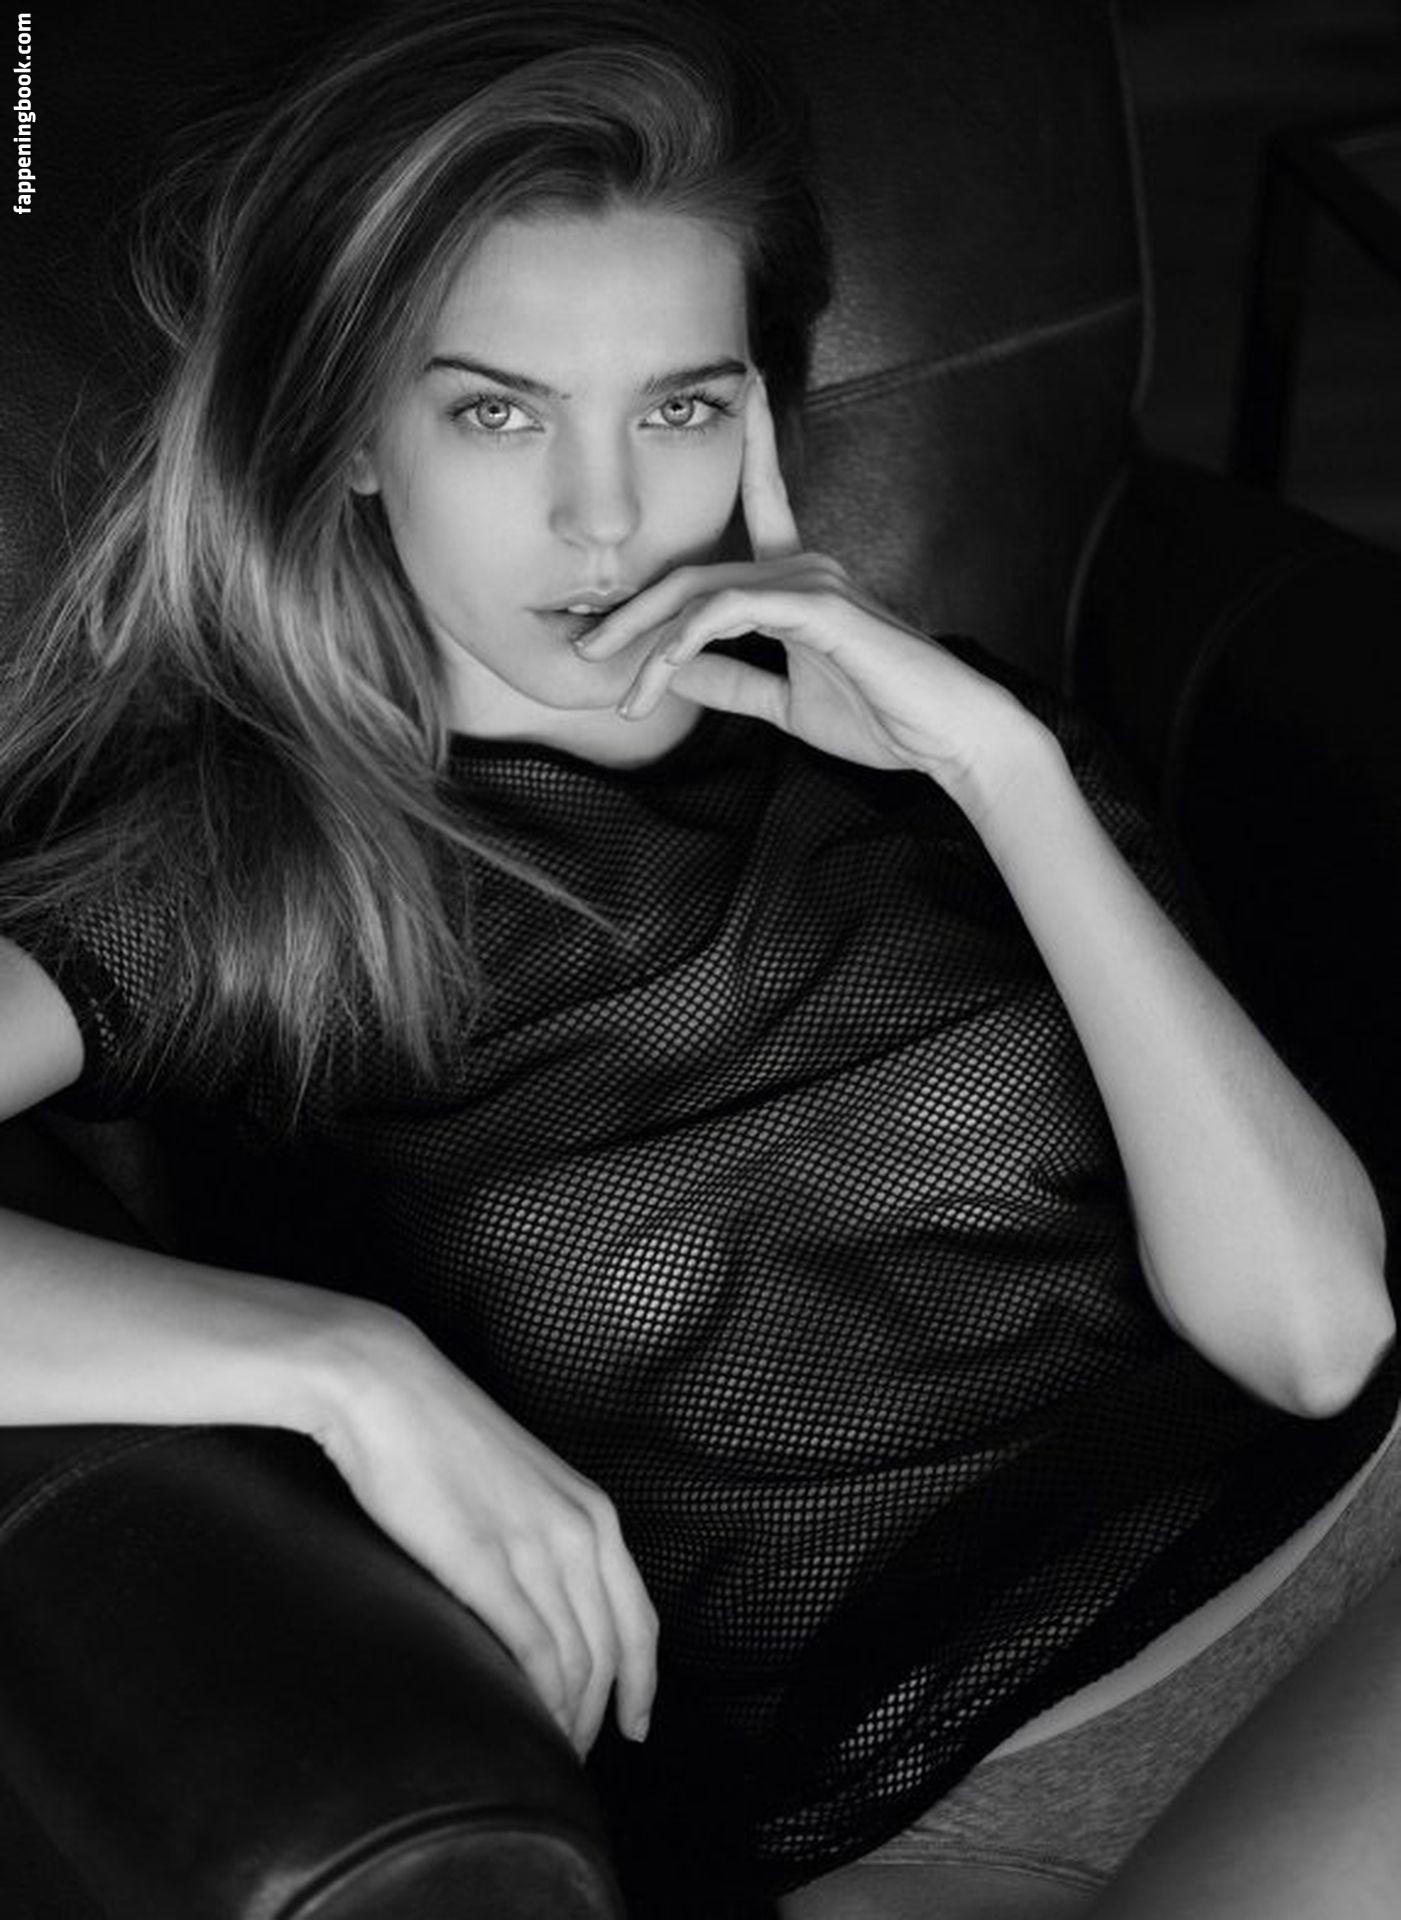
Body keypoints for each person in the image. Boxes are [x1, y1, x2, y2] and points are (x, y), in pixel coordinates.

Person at [0, 2, 1397, 1914]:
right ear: (349, 436)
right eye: (496, 411)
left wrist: (1003, 779)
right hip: (906, 1836)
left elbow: (1314, 1344)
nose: (604, 516)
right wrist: (340, 1369)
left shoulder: (943, 743)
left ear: (761, 413)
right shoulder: (244, 878)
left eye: (681, 407)